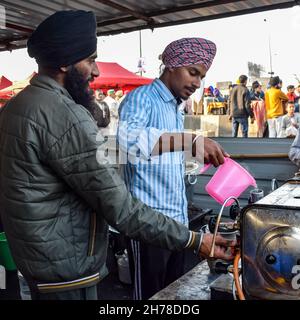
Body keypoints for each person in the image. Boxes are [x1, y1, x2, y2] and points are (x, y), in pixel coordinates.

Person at [0, 11, 234, 301]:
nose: (96, 72)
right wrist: (195, 240)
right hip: (67, 269)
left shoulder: (16, 106)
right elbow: (120, 200)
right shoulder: (68, 115)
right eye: (90, 60)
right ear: (64, 61)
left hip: (39, 260)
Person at [118, 37, 230, 300]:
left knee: (173, 295)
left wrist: (190, 152)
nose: (197, 83)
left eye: (201, 77)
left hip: (177, 224)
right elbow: (128, 141)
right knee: (150, 297)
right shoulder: (141, 98)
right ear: (171, 65)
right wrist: (189, 140)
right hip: (148, 224)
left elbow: (162, 151)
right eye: (193, 73)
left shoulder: (176, 108)